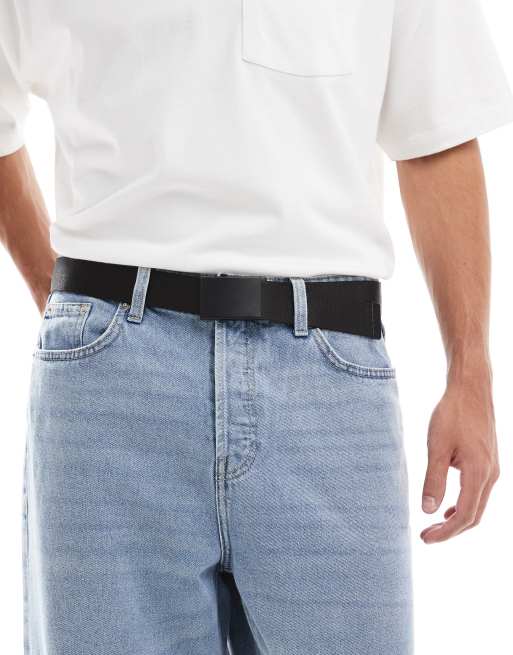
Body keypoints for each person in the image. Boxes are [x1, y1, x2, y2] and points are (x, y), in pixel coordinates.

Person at [0, 1, 511, 653]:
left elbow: (435, 131)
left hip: (328, 385)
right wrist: (64, 300)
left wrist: (470, 372)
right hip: (112, 385)